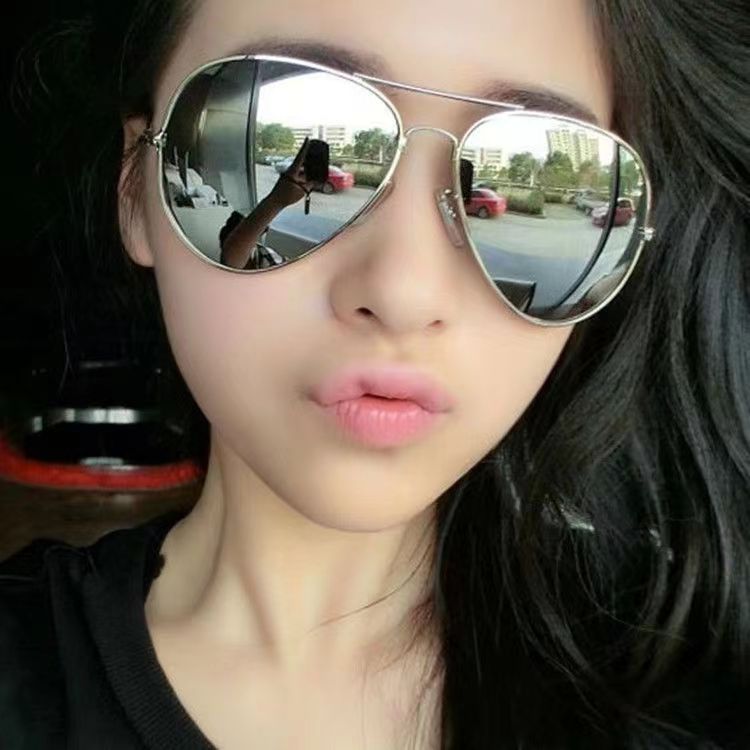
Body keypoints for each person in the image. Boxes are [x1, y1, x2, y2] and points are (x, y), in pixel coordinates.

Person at [2, 1, 748, 748]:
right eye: (292, 125)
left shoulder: (688, 700)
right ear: (135, 189)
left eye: (558, 167)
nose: (403, 292)